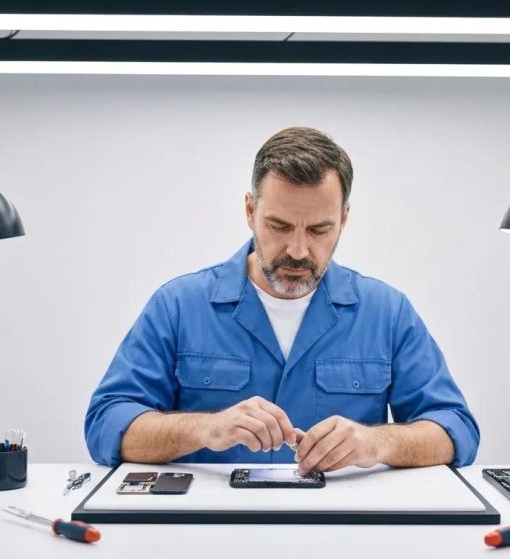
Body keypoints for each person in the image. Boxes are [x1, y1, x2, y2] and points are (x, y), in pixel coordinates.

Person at [85, 127, 478, 475]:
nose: (299, 249)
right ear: (251, 211)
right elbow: (107, 425)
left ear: (343, 220)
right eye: (280, 226)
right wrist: (206, 428)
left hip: (342, 533)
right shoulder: (178, 306)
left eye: (320, 229)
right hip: (207, 532)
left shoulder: (387, 313)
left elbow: (454, 430)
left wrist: (377, 443)